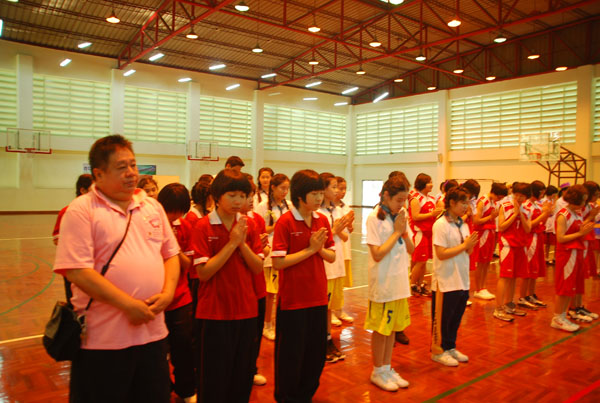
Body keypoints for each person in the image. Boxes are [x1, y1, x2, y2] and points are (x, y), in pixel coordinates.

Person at [53, 134, 180, 403]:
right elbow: (77, 271)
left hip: (153, 334)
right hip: (103, 341)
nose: (131, 173)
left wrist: (168, 293)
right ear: (98, 174)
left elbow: (171, 255)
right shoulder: (81, 210)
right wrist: (128, 305)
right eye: (122, 167)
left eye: (133, 165)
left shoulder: (152, 206)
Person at [190, 169, 264, 402]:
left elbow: (258, 267)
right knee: (214, 378)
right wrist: (232, 244)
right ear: (217, 196)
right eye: (232, 195)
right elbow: (203, 273)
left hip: (246, 310)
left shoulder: (249, 225)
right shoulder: (203, 226)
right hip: (214, 313)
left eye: (242, 196)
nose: (238, 201)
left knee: (241, 376)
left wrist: (241, 244)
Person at [271, 169, 335, 403]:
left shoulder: (322, 220)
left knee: (315, 353)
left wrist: (318, 249)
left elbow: (331, 256)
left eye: (321, 193)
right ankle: (286, 397)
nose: (319, 198)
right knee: (291, 355)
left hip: (318, 297)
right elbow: (278, 262)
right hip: (293, 301)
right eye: (314, 194)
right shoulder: (285, 222)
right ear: (300, 195)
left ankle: (305, 395)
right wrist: (310, 250)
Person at [365, 175, 413, 391]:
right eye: (398, 200)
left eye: (404, 200)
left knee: (392, 328)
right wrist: (396, 232)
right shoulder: (374, 217)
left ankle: (386, 367)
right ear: (386, 195)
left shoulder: (401, 216)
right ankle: (377, 371)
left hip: (399, 281)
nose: (402, 204)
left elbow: (411, 249)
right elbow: (377, 254)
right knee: (381, 329)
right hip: (383, 282)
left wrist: (404, 231)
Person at [157, 183, 197, 403]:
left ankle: (186, 389)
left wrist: (173, 244)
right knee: (157, 352)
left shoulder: (185, 227)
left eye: (179, 211)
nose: (174, 216)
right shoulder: (150, 225)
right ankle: (161, 389)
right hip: (155, 297)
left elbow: (188, 265)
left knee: (183, 348)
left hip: (180, 298)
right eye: (170, 210)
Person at [431, 186, 478, 367]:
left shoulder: (463, 224)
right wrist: (464, 245)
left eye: (467, 203)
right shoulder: (441, 224)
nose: (466, 206)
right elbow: (441, 253)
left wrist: (469, 245)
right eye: (462, 203)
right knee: (442, 318)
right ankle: (438, 351)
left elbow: (468, 251)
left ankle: (450, 346)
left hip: (461, 279)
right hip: (445, 280)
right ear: (451, 202)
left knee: (456, 317)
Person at [318, 172, 351, 363]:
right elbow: (319, 241)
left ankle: (328, 338)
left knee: (330, 307)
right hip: (325, 266)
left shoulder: (337, 210)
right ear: (323, 190)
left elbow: (344, 236)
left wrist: (343, 227)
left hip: (337, 264)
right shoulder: (318, 213)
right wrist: (335, 230)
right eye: (334, 187)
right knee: (323, 307)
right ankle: (321, 341)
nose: (337, 190)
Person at [241, 175, 271, 387]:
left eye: (252, 195)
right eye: (246, 196)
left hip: (257, 285)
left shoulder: (258, 221)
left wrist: (260, 248)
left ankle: (250, 369)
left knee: (254, 334)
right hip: (238, 288)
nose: (251, 200)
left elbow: (265, 252)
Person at [552, 185, 594, 332]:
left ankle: (563, 315)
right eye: (583, 200)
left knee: (570, 287)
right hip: (566, 254)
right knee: (564, 287)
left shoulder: (576, 213)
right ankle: (557, 318)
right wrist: (580, 233)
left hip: (575, 254)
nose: (584, 203)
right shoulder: (563, 215)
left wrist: (585, 227)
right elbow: (560, 238)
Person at [254, 173, 291, 341]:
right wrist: (276, 226)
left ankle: (277, 322)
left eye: (287, 189)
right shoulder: (263, 206)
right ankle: (267, 324)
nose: (285, 192)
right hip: (270, 252)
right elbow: (259, 230)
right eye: (282, 188)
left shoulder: (289, 205)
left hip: (285, 252)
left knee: (281, 290)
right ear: (273, 188)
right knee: (270, 292)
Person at [52, 174, 93, 304]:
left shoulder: (98, 211)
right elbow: (57, 239)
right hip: (74, 268)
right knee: (74, 303)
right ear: (83, 190)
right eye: (93, 190)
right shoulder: (68, 211)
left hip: (93, 269)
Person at [493, 182, 531, 322]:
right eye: (517, 195)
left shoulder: (527, 209)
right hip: (507, 246)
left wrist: (520, 214)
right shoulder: (505, 206)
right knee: (505, 277)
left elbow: (528, 229)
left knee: (514, 276)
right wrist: (515, 214)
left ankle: (509, 304)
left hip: (521, 246)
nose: (519, 198)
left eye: (522, 196)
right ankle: (498, 309)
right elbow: (502, 227)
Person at [567, 181, 600, 322]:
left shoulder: (589, 206)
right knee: (576, 276)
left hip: (587, 242)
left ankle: (579, 305)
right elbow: (580, 226)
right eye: (596, 194)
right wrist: (591, 216)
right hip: (579, 243)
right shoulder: (579, 208)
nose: (597, 197)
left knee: (581, 276)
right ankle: (572, 307)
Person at [472, 182, 507, 301]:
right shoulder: (483, 202)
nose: (500, 200)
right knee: (480, 263)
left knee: (487, 262)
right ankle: (478, 289)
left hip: (490, 234)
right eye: (499, 197)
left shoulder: (494, 202)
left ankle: (483, 287)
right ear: (494, 193)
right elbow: (476, 221)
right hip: (482, 235)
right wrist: (490, 217)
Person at [520, 181, 552, 309]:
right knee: (528, 267)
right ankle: (522, 296)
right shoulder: (526, 205)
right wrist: (544, 214)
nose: (542, 195)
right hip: (530, 238)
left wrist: (547, 213)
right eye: (541, 192)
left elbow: (542, 222)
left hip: (539, 237)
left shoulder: (538, 204)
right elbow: (529, 225)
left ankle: (531, 294)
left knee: (535, 267)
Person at [409, 173, 442, 296]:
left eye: (431, 181)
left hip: (429, 233)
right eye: (429, 182)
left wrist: (438, 213)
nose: (431, 184)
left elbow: (435, 213)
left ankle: (420, 284)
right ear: (422, 184)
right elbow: (415, 216)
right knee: (420, 261)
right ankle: (412, 285)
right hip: (420, 233)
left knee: (424, 261)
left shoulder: (432, 199)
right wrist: (432, 214)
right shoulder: (416, 198)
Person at [335, 176, 356, 321]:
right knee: (332, 282)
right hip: (334, 249)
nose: (342, 192)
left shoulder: (346, 208)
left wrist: (349, 224)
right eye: (339, 188)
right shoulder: (330, 209)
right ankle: (330, 311)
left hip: (345, 249)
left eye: (344, 189)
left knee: (341, 283)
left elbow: (350, 230)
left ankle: (339, 310)